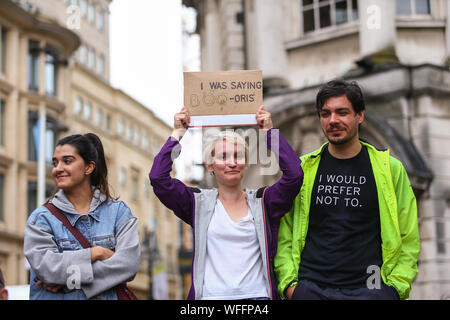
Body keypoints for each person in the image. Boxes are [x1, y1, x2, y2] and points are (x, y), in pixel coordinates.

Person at [275, 79, 420, 300]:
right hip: (311, 290)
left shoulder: (391, 169)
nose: (333, 120)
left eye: (342, 112)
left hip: (371, 291)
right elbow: (284, 231)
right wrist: (291, 287)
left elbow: (408, 235)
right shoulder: (303, 169)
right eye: (325, 114)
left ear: (360, 115)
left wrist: (393, 290)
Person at [150, 106, 302, 300]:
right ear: (210, 165)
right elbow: (158, 178)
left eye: (238, 155)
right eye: (223, 156)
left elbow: (295, 176)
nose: (232, 162)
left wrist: (270, 133)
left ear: (246, 162)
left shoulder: (264, 202)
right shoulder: (197, 204)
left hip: (258, 298)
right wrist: (178, 133)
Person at [24, 133, 140, 300]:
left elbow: (128, 265)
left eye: (67, 161)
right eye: (55, 163)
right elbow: (47, 269)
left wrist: (67, 280)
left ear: (89, 167)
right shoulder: (41, 219)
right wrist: (96, 253)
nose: (58, 168)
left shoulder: (118, 213)